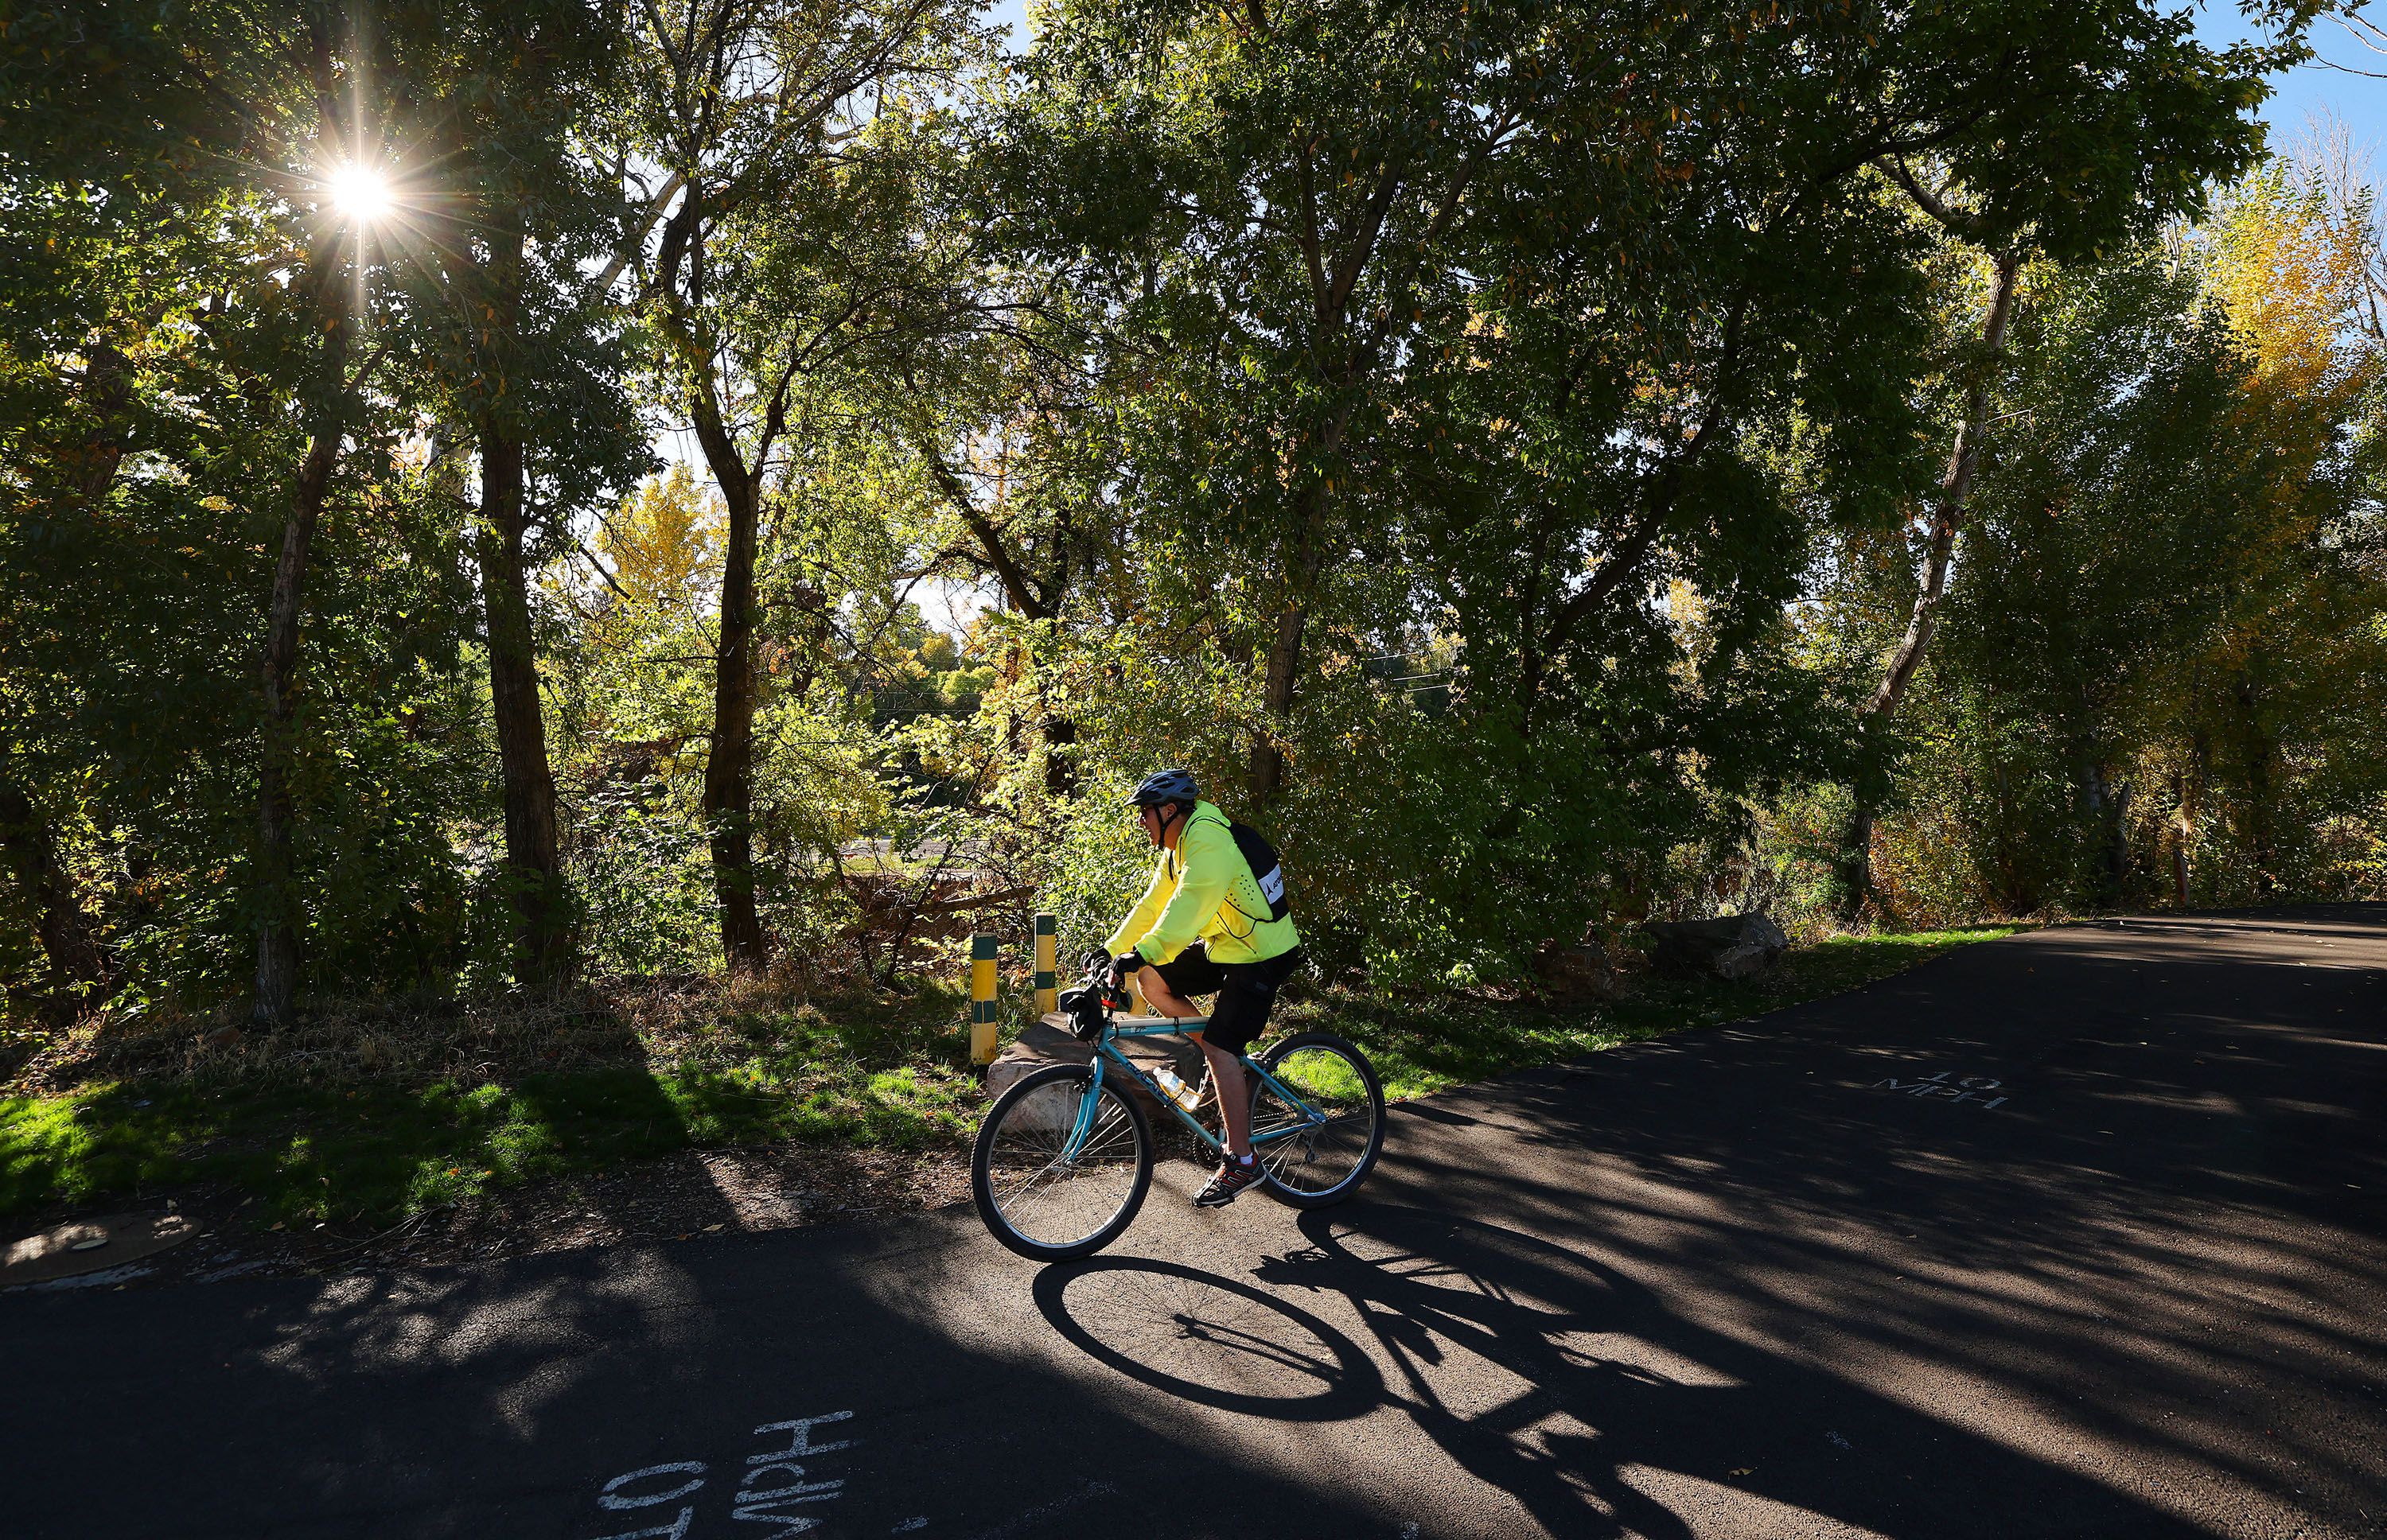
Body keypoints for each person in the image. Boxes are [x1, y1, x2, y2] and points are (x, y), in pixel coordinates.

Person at [1093, 768, 1303, 1207]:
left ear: (1170, 811)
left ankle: (1242, 1161)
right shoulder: (1178, 844)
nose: (1141, 823)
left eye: (1145, 814)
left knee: (1222, 1045)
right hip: (1229, 945)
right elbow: (1155, 904)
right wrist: (1114, 950)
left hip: (1263, 952)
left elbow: (1191, 903)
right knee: (1153, 979)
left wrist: (1144, 950)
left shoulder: (1207, 840)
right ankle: (1219, 1057)